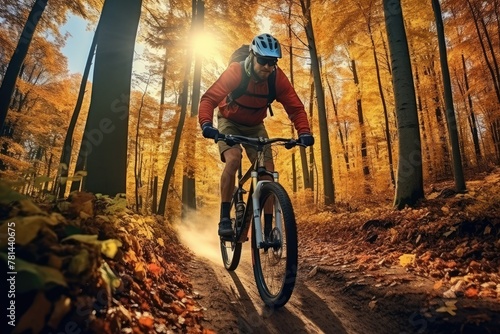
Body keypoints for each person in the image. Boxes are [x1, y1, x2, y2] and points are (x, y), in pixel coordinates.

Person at [198, 33, 314, 237]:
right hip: (229, 121)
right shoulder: (236, 72)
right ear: (252, 56)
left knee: (267, 174)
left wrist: (304, 132)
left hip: (255, 125)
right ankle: (225, 218)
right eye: (263, 61)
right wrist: (207, 124)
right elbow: (209, 99)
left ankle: (268, 231)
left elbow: (295, 108)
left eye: (272, 62)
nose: (268, 67)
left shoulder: (276, 78)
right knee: (233, 160)